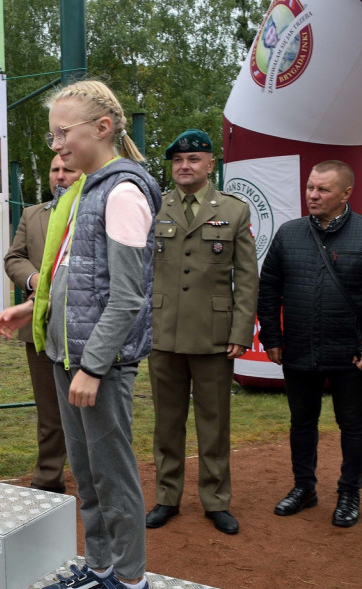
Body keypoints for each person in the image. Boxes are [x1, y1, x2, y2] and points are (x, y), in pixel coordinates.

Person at [0, 80, 160, 589]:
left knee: (112, 473)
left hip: (98, 365)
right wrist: (32, 310)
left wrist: (93, 366)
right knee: (87, 472)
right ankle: (102, 565)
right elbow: (74, 275)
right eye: (52, 135)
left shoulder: (123, 192)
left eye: (64, 133)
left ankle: (131, 580)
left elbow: (128, 294)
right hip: (68, 356)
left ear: (103, 129)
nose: (56, 146)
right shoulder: (86, 188)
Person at [257, 160, 362, 527]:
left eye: (322, 189)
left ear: (346, 194)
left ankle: (349, 493)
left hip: (351, 353)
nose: (313, 195)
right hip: (299, 350)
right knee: (301, 422)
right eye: (310, 187)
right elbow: (269, 288)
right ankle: (304, 487)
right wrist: (272, 337)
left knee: (352, 424)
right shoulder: (288, 234)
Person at [145, 129, 259, 535]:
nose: (184, 167)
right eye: (177, 161)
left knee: (214, 422)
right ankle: (166, 496)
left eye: (193, 159)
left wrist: (241, 330)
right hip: (163, 331)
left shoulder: (232, 209)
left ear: (211, 164)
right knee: (167, 422)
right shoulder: (154, 206)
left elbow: (247, 278)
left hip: (214, 334)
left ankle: (216, 499)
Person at [3, 153, 81, 493]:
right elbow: (14, 258)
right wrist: (34, 281)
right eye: (54, 170)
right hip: (41, 327)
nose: (60, 176)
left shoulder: (97, 214)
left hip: (85, 331)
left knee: (89, 412)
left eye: (68, 170)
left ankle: (95, 480)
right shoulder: (33, 215)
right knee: (50, 414)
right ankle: (48, 481)